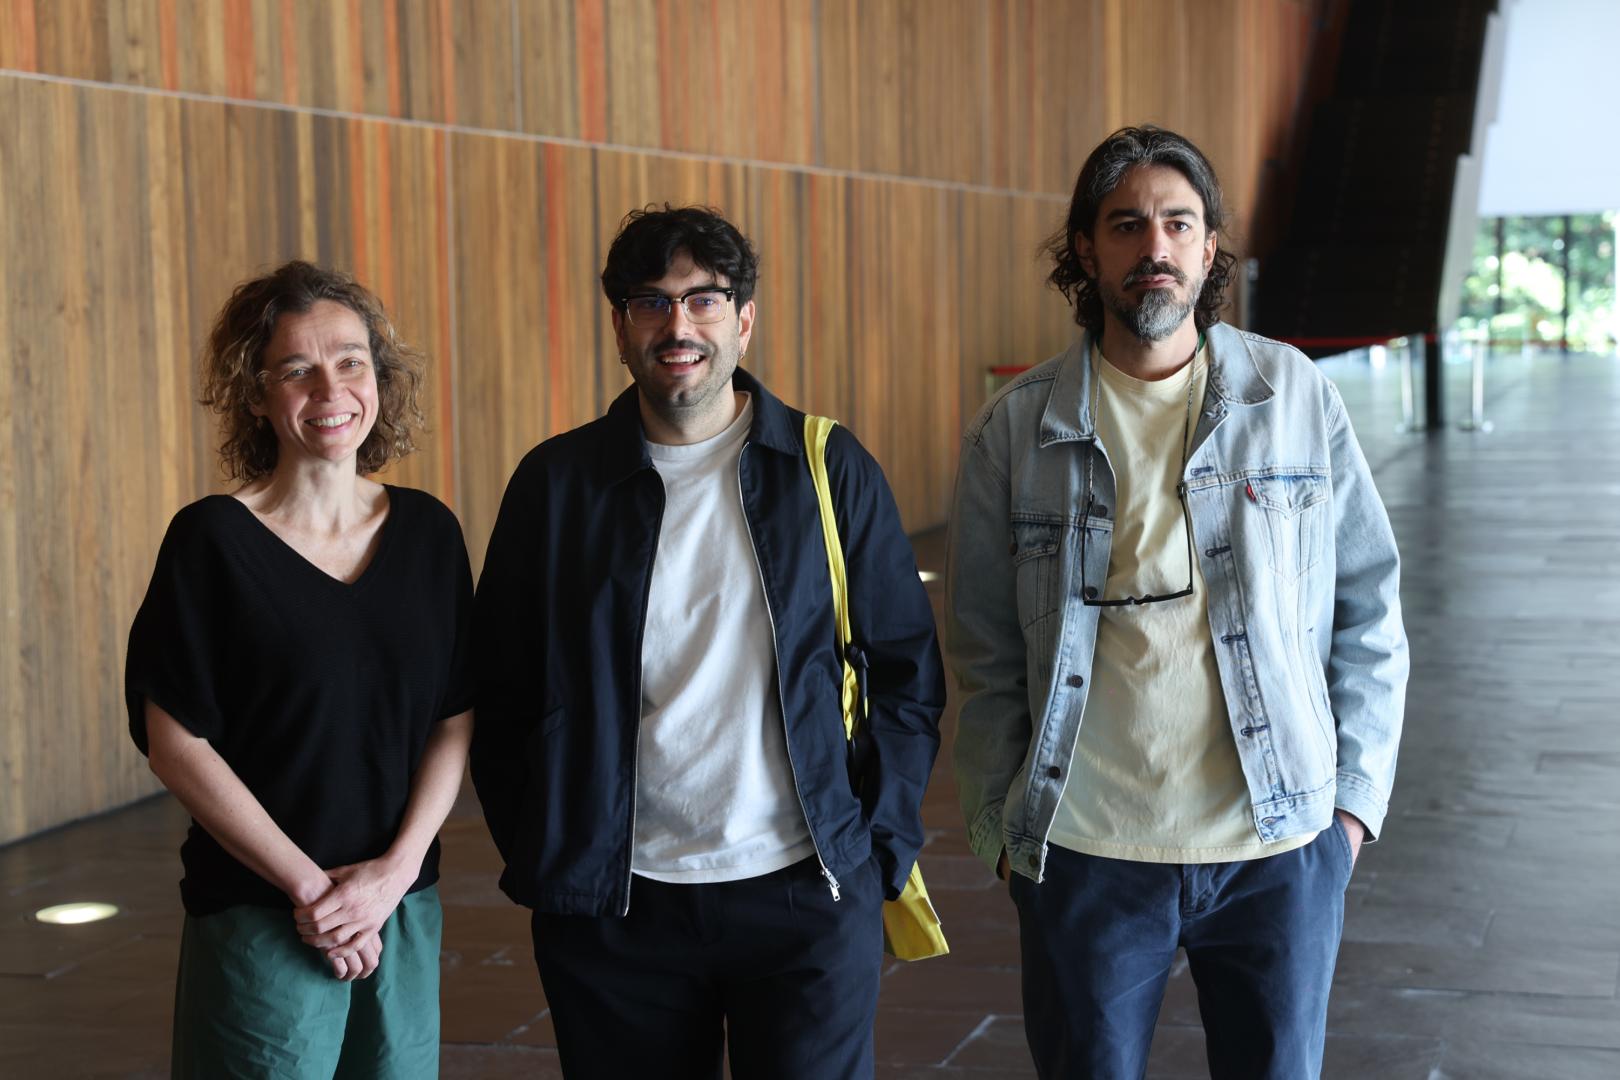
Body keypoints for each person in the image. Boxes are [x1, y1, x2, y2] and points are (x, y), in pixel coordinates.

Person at [946, 126, 1409, 1079]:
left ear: (1207, 248)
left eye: (1177, 223)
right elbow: (984, 652)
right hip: (1086, 850)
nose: (1153, 248)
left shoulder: (1292, 394)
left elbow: (1370, 606)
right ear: (1087, 250)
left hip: (1278, 844)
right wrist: (999, 830)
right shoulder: (1016, 428)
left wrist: (1351, 811)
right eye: (1126, 226)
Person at [472, 204, 946, 1079]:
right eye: (651, 302)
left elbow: (906, 673)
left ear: (745, 318)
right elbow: (499, 691)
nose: (677, 325)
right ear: (619, 325)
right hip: (618, 910)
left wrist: (878, 845)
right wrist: (550, 849)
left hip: (805, 891)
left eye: (703, 299)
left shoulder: (826, 467)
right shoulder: (557, 485)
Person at [125, 261, 474, 1078]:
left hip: (400, 907)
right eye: (296, 369)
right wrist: (316, 894)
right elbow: (176, 743)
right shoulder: (211, 541)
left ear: (378, 377)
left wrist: (388, 880)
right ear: (256, 394)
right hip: (262, 909)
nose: (331, 388)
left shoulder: (427, 532)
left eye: (351, 360)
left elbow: (455, 718)